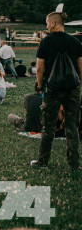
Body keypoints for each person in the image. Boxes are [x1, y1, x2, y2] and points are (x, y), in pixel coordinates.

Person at [32, 12, 82, 170]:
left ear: (53, 24)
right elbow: (81, 67)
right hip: (72, 89)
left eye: (47, 23)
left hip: (53, 89)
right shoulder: (75, 42)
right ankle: (74, 164)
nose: (47, 25)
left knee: (48, 126)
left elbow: (39, 68)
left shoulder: (46, 42)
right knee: (72, 126)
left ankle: (42, 162)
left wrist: (40, 86)